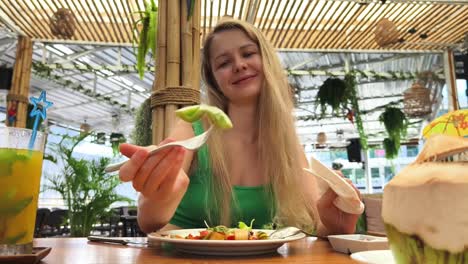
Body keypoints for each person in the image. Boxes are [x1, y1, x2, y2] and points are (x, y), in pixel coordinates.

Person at [119, 18, 360, 236]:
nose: (239, 65)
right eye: (224, 63)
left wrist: (336, 226)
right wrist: (156, 196)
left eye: (248, 54)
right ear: (214, 79)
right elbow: (148, 221)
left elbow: (315, 225)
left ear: (266, 60)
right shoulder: (193, 128)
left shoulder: (286, 143)